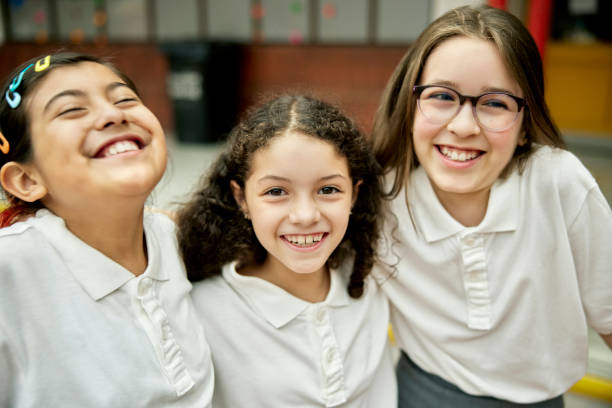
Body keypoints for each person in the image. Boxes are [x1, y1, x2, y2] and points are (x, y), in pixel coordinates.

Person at [370, 5, 612, 407]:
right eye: (442, 96)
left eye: (495, 103)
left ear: (524, 125)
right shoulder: (380, 198)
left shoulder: (557, 183)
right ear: (410, 105)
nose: (464, 126)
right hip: (421, 395)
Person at [0, 53, 213, 407]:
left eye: (125, 99)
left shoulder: (181, 240)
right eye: (71, 110)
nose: (114, 114)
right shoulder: (10, 274)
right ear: (25, 179)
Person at [177, 95, 396, 407]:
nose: (305, 216)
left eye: (328, 189)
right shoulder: (202, 311)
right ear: (241, 199)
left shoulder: (373, 273)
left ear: (354, 194)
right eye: (276, 191)